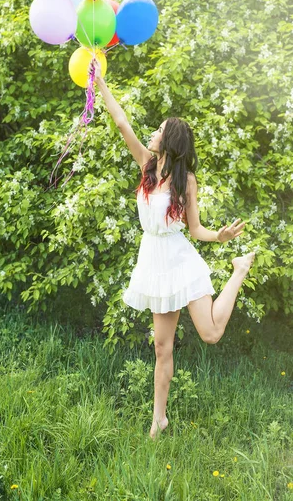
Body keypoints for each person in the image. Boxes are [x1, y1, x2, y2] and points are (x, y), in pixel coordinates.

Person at [91, 58, 255, 440]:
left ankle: (238, 270)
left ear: (171, 140)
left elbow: (195, 228)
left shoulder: (187, 181)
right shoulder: (147, 166)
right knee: (162, 349)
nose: (152, 133)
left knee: (211, 333)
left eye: (160, 130)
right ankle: (157, 421)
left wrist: (220, 237)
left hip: (181, 260)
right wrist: (99, 84)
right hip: (153, 261)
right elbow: (121, 123)